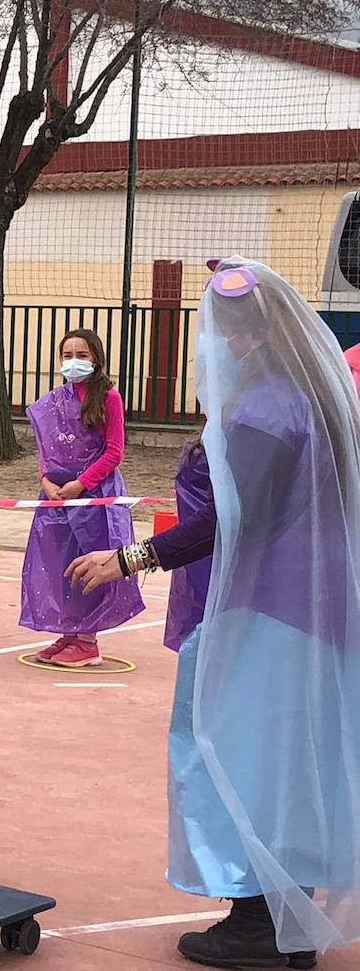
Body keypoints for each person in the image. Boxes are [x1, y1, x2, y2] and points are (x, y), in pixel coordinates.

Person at [69, 257, 360, 968]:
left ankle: (257, 924)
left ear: (247, 338)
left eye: (222, 331)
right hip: (308, 611)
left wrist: (131, 557)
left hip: (266, 610)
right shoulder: (309, 398)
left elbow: (232, 520)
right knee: (291, 762)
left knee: (239, 755)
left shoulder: (264, 410)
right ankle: (286, 924)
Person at [19, 328, 144, 667]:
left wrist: (80, 484)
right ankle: (70, 632)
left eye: (82, 355)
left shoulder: (108, 398)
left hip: (94, 498)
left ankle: (88, 640)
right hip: (57, 499)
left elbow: (114, 452)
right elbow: (47, 448)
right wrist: (46, 480)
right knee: (61, 563)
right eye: (67, 355)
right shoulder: (55, 399)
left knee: (92, 563)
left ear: (96, 359)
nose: (73, 362)